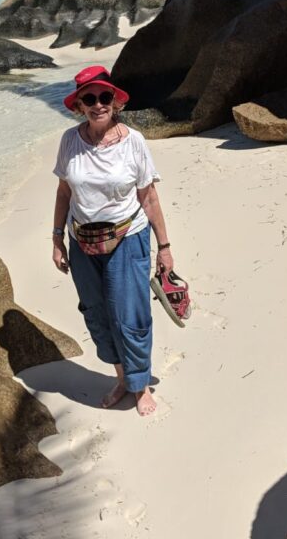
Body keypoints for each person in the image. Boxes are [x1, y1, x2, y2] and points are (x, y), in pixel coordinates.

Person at [52, 65, 173, 417]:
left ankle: (141, 386)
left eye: (105, 97)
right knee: (98, 314)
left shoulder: (133, 141)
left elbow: (148, 197)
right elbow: (63, 192)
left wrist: (164, 248)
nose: (98, 104)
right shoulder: (70, 142)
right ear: (79, 106)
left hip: (128, 238)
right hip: (82, 242)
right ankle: (122, 378)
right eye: (89, 99)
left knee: (129, 315)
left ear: (115, 102)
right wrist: (57, 239)